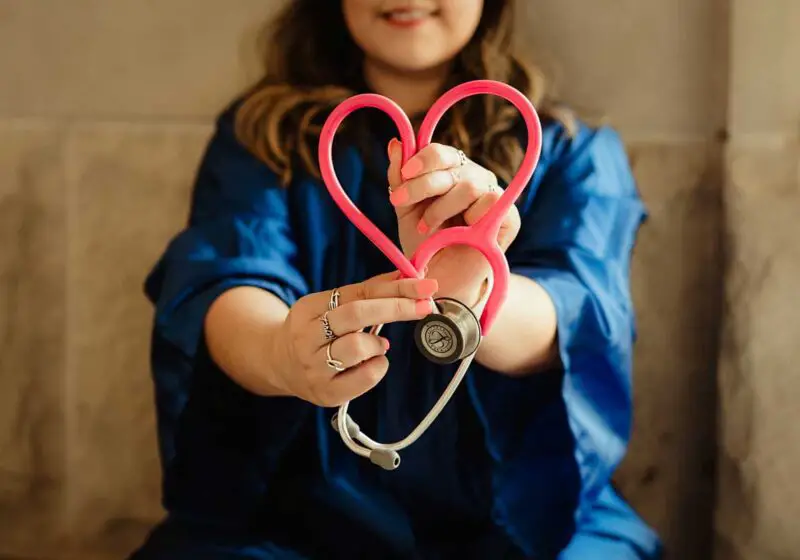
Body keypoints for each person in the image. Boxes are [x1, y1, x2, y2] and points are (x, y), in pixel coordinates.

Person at [132, 1, 662, 558]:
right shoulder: (261, 139)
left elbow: (577, 311)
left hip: (530, 516)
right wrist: (282, 353)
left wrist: (468, 296)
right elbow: (224, 277)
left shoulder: (571, 152)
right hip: (294, 517)